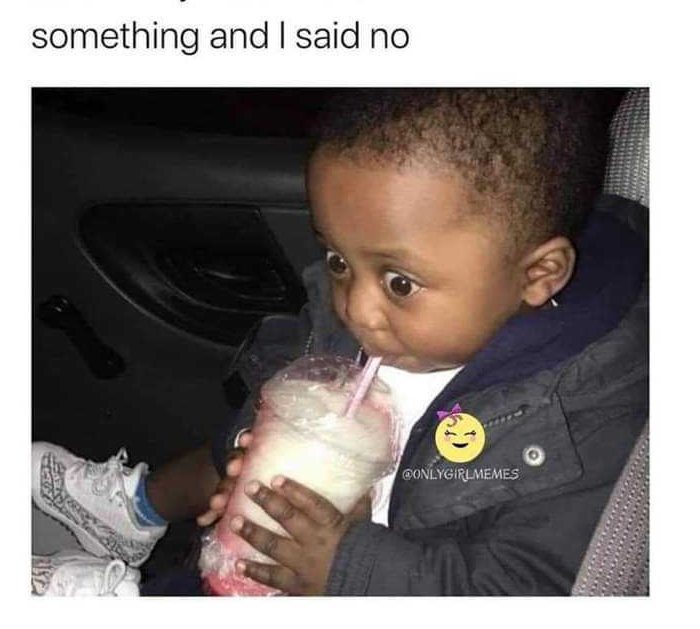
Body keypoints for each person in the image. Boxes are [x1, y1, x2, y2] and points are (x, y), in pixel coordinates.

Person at [32, 88, 648, 595]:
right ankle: (133, 515)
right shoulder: (396, 311)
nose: (353, 304)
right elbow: (296, 360)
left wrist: (349, 567)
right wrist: (257, 446)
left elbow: (530, 588)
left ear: (537, 275)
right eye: (336, 259)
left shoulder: (584, 422)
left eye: (399, 281)